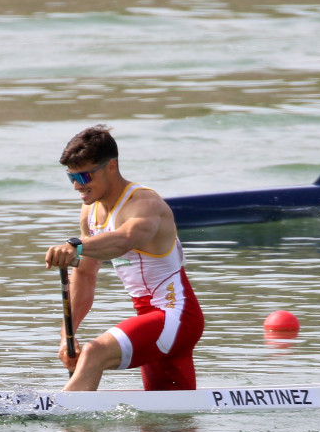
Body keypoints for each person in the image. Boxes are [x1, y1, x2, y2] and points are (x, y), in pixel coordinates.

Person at [44, 125, 203, 392]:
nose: (76, 187)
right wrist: (66, 337)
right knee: (167, 425)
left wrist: (76, 246)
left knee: (94, 353)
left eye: (84, 177)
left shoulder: (144, 204)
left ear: (111, 167)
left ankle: (63, 430)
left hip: (175, 316)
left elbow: (124, 240)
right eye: (70, 178)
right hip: (151, 320)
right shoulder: (90, 214)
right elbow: (84, 274)